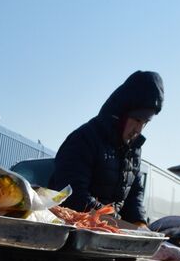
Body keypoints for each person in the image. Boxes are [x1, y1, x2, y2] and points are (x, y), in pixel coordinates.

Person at [50, 71, 164, 226]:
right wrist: (113, 220)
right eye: (137, 120)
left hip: (108, 229)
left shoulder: (133, 150)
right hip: (70, 229)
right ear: (121, 113)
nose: (139, 129)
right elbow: (72, 193)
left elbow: (134, 194)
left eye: (145, 123)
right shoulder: (84, 139)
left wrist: (139, 223)